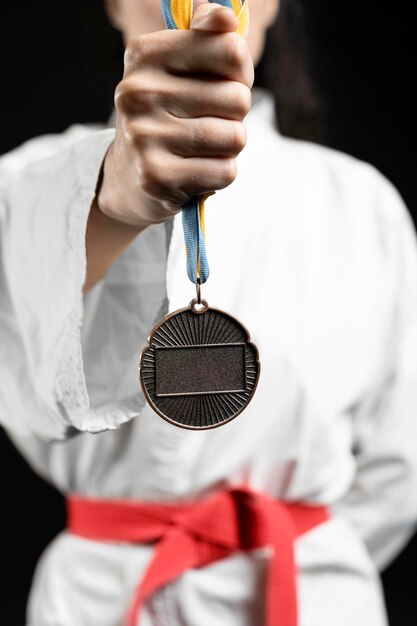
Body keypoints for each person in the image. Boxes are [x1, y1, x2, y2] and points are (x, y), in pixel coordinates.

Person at [1, 0, 417, 624]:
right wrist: (110, 197)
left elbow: (397, 475)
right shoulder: (24, 184)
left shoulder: (363, 206)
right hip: (99, 599)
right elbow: (22, 367)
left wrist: (309, 560)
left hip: (310, 595)